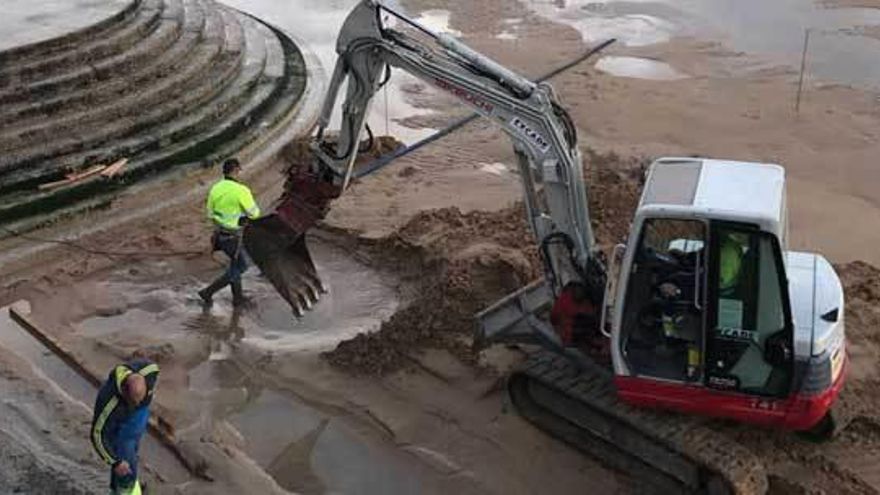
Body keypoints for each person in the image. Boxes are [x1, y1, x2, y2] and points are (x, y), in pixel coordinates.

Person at [90, 359, 160, 495]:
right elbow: (97, 434)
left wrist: (141, 403)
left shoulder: (150, 370)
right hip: (118, 413)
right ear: (123, 391)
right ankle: (124, 485)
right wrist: (114, 462)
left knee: (128, 445)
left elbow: (155, 367)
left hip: (139, 412)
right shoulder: (108, 401)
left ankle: (127, 483)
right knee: (120, 449)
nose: (138, 402)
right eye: (135, 401)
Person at [199, 158, 261, 307]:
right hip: (233, 237)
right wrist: (242, 217)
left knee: (235, 264)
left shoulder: (215, 188)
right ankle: (208, 291)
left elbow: (209, 214)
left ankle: (238, 299)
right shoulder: (241, 190)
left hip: (219, 235)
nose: (240, 173)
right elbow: (255, 214)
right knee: (241, 266)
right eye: (239, 170)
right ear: (235, 171)